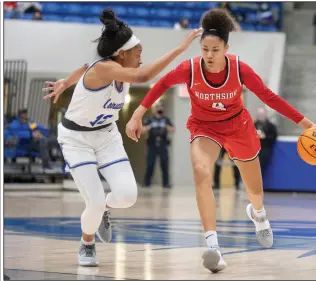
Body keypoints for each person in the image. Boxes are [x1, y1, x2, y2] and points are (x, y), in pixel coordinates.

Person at [126, 8, 316, 273]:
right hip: (204, 127)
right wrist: (138, 113)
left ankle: (259, 215)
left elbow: (270, 98)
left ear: (226, 48)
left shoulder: (240, 69)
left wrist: (307, 124)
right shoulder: (191, 68)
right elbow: (161, 85)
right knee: (201, 172)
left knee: (254, 190)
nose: (209, 55)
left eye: (215, 50)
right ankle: (213, 246)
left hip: (239, 127)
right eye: (205, 49)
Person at [42, 8, 201, 267]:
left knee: (127, 196)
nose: (141, 58)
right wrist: (181, 48)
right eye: (138, 53)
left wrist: (66, 81)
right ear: (122, 53)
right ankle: (87, 243)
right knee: (91, 202)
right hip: (76, 140)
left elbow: (83, 67)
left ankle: (105, 209)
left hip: (106, 135)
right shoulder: (105, 69)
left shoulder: (113, 68)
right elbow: (143, 76)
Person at [143, 101, 174, 188]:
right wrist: (151, 126)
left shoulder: (166, 119)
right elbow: (142, 130)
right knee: (150, 164)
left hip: (163, 145)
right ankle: (147, 183)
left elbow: (172, 129)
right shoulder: (149, 119)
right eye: (157, 107)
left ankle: (166, 183)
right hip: (152, 144)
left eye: (161, 107)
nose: (159, 109)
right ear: (154, 109)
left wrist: (165, 126)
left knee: (164, 164)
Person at [254, 107, 278, 178]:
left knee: (261, 167)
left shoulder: (271, 126)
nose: (260, 116)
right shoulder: (253, 125)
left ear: (265, 115)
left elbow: (274, 137)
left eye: (262, 114)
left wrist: (265, 137)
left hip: (265, 148)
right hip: (254, 150)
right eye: (259, 114)